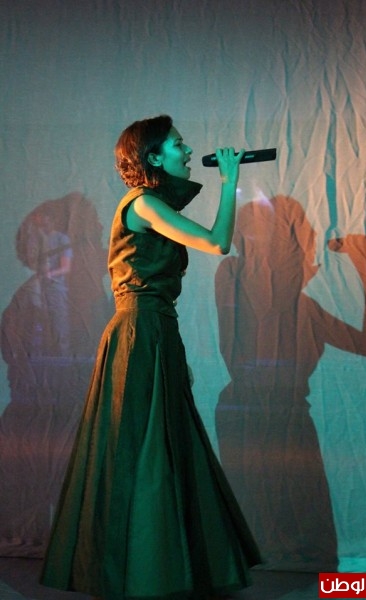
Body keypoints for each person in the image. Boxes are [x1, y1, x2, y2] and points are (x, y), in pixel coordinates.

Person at [40, 115, 261, 600]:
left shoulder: (151, 202)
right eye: (179, 145)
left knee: (162, 444)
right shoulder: (142, 203)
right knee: (142, 447)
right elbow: (216, 242)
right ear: (154, 157)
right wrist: (228, 182)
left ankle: (162, 568)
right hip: (140, 332)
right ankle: (138, 572)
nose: (189, 151)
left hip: (155, 330)